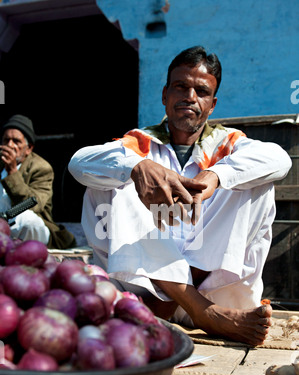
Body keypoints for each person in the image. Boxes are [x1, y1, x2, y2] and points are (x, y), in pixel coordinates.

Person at [68, 46, 292, 346]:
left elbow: (281, 160)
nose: (190, 97)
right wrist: (137, 167)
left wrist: (217, 175)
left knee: (256, 182)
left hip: (216, 291)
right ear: (164, 96)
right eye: (180, 87)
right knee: (110, 178)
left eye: (201, 91)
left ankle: (178, 302)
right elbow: (78, 162)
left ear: (212, 105)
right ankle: (200, 311)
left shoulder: (228, 143)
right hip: (145, 292)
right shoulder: (139, 143)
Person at [0, 114, 76, 249]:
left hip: (31, 228)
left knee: (26, 220)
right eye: (6, 140)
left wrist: (12, 172)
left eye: (16, 141)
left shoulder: (41, 168)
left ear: (28, 148)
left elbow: (33, 205)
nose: (10, 145)